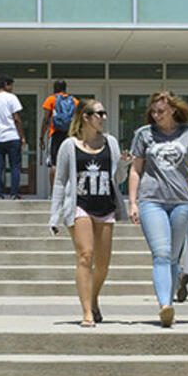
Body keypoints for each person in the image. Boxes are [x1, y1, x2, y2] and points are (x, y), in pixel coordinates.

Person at [127, 90, 188, 328]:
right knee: (162, 254)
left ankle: (172, 294)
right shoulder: (144, 135)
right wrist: (133, 202)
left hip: (182, 201)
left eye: (161, 111)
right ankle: (165, 306)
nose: (156, 116)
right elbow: (135, 169)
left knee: (174, 257)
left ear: (173, 109)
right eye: (153, 112)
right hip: (151, 199)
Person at [47, 99, 125, 328]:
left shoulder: (110, 142)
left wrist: (123, 165)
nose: (103, 117)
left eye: (104, 113)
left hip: (106, 206)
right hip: (79, 205)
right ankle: (86, 312)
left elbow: (118, 178)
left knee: (102, 265)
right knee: (85, 256)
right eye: (98, 113)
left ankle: (94, 297)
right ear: (86, 117)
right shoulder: (69, 146)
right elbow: (60, 182)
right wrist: (54, 216)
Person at [40, 80, 78, 192]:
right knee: (70, 163)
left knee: (54, 164)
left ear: (54, 88)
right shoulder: (74, 101)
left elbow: (46, 119)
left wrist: (42, 137)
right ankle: (69, 191)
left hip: (55, 133)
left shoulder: (51, 99)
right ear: (65, 88)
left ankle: (55, 193)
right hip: (69, 135)